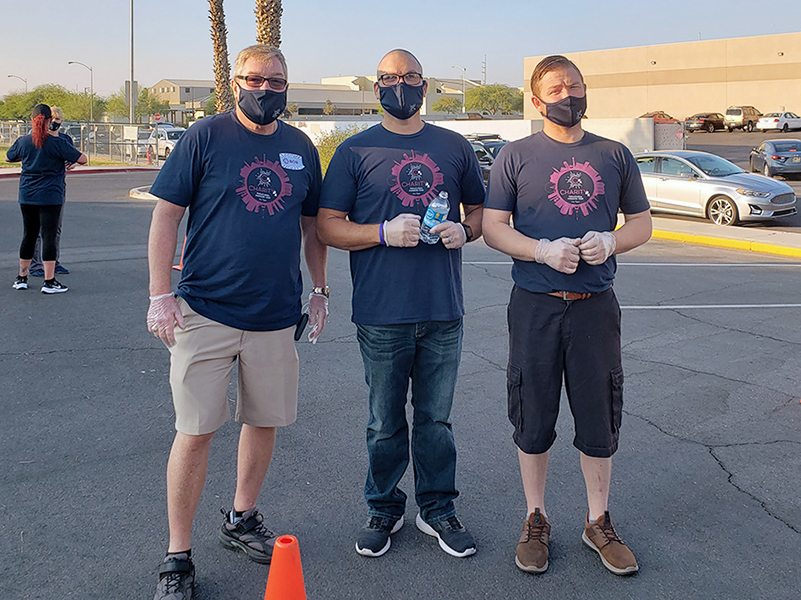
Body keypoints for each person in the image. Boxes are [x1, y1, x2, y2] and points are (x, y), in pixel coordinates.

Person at [146, 45, 329, 600]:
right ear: (234, 81)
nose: (266, 89)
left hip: (276, 316)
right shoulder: (205, 137)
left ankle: (242, 518)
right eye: (256, 79)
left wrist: (319, 292)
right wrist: (160, 295)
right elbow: (166, 215)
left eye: (277, 81)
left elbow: (311, 227)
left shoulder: (300, 148)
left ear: (287, 85)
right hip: (206, 311)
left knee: (263, 419)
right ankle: (178, 556)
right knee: (196, 432)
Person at [482, 55, 652, 576]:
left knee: (599, 414)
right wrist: (539, 251)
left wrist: (612, 240)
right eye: (556, 88)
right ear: (536, 101)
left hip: (594, 308)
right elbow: (493, 227)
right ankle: (536, 517)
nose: (568, 94)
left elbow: (642, 223)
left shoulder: (614, 154)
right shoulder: (515, 156)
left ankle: (597, 520)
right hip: (535, 306)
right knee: (533, 415)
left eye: (575, 86)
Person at [317, 49, 485, 559]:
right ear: (376, 89)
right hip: (381, 312)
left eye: (410, 77)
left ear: (425, 85)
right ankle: (383, 507)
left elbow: (479, 211)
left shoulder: (454, 147)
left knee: (436, 421)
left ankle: (437, 509)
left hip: (441, 310)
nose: (401, 86)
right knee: (384, 422)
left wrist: (465, 229)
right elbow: (327, 225)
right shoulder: (354, 151)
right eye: (390, 78)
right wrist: (382, 232)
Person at [6, 104, 86, 294]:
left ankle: (21, 278)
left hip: (27, 195)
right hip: (51, 195)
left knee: (29, 235)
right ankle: (49, 281)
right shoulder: (58, 143)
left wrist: (25, 158)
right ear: (50, 121)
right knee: (49, 236)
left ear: (33, 121)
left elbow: (10, 157)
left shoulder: (24, 142)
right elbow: (82, 159)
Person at [30, 106, 74, 277]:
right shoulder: (36, 139)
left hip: (57, 189)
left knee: (55, 228)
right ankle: (35, 265)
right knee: (37, 230)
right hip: (37, 189)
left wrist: (72, 163)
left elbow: (74, 158)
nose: (55, 122)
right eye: (52, 119)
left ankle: (53, 262)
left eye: (58, 119)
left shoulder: (65, 140)